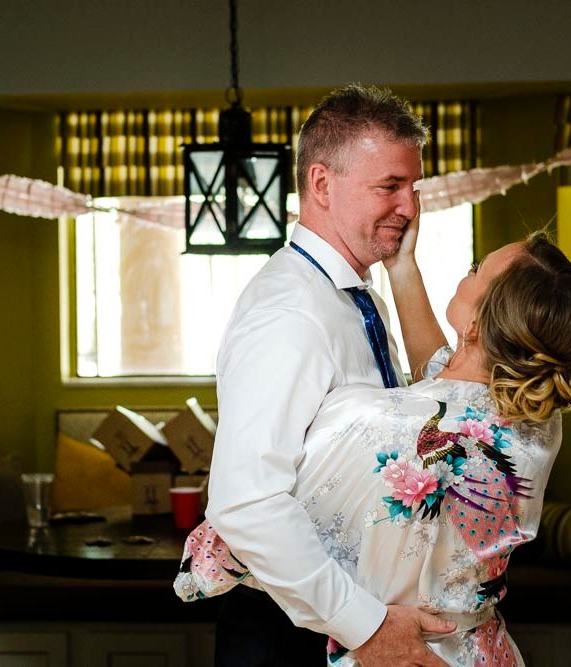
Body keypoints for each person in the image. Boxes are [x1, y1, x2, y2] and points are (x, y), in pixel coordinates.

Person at [176, 224, 571, 666]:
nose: (468, 270)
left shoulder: (372, 426)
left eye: (476, 270)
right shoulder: (534, 412)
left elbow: (250, 513)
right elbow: (445, 378)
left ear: (477, 324)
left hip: (401, 651)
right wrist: (402, 266)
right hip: (478, 651)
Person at [204, 84, 455, 666]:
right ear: (321, 184)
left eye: (412, 188)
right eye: (389, 187)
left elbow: (426, 413)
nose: (410, 208)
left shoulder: (354, 296)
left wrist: (403, 271)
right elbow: (246, 502)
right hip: (289, 633)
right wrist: (366, 627)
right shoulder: (289, 311)